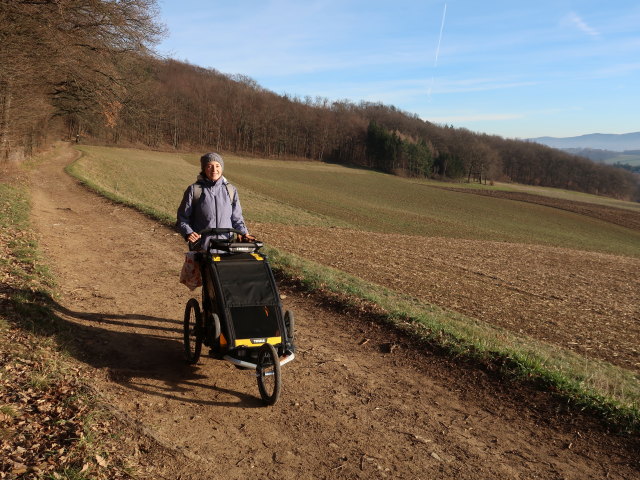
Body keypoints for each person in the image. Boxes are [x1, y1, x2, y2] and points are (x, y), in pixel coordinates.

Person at [176, 152, 254, 250]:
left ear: (222, 168)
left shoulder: (231, 190)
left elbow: (237, 219)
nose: (214, 170)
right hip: (201, 248)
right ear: (204, 169)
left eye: (217, 166)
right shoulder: (194, 190)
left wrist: (244, 233)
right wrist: (188, 233)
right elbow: (182, 218)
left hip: (227, 248)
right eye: (209, 166)